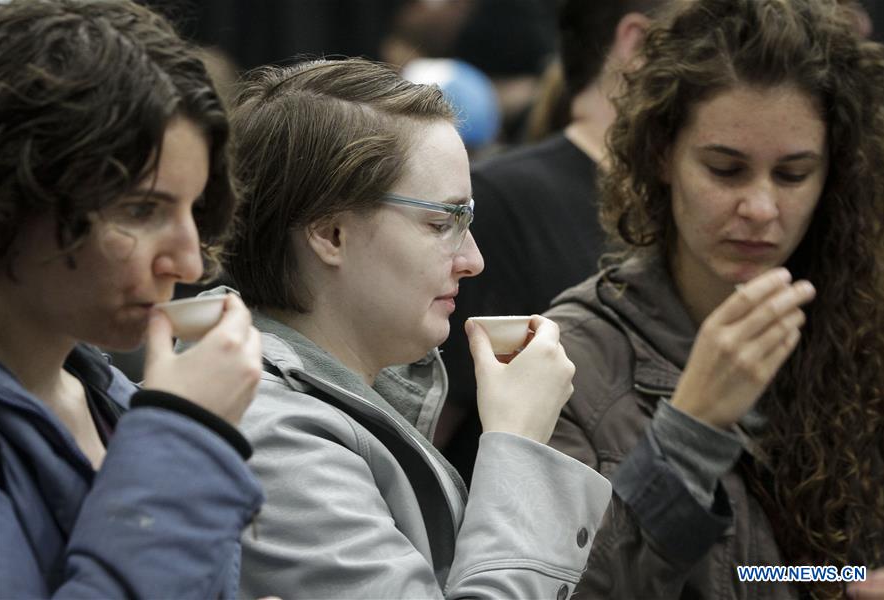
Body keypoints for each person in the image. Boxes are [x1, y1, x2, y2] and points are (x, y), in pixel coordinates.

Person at [224, 57, 612, 598]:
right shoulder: (268, 434)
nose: (473, 261)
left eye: (467, 223)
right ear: (330, 234)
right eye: (441, 223)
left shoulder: (324, 403)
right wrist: (519, 444)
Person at [544, 0, 884, 598]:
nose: (760, 209)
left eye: (792, 175)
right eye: (726, 169)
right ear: (663, 156)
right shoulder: (571, 357)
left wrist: (849, 582)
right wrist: (689, 435)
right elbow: (567, 589)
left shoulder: (864, 328)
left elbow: (774, 573)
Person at [0, 1, 264, 597]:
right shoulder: (166, 419)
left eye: (195, 211)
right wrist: (186, 436)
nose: (189, 263)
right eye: (140, 210)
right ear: (14, 195)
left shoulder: (116, 400)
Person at [438, 0, 669, 481]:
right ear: (638, 43)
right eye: (720, 36)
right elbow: (423, 440)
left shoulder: (686, 217)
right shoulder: (499, 202)